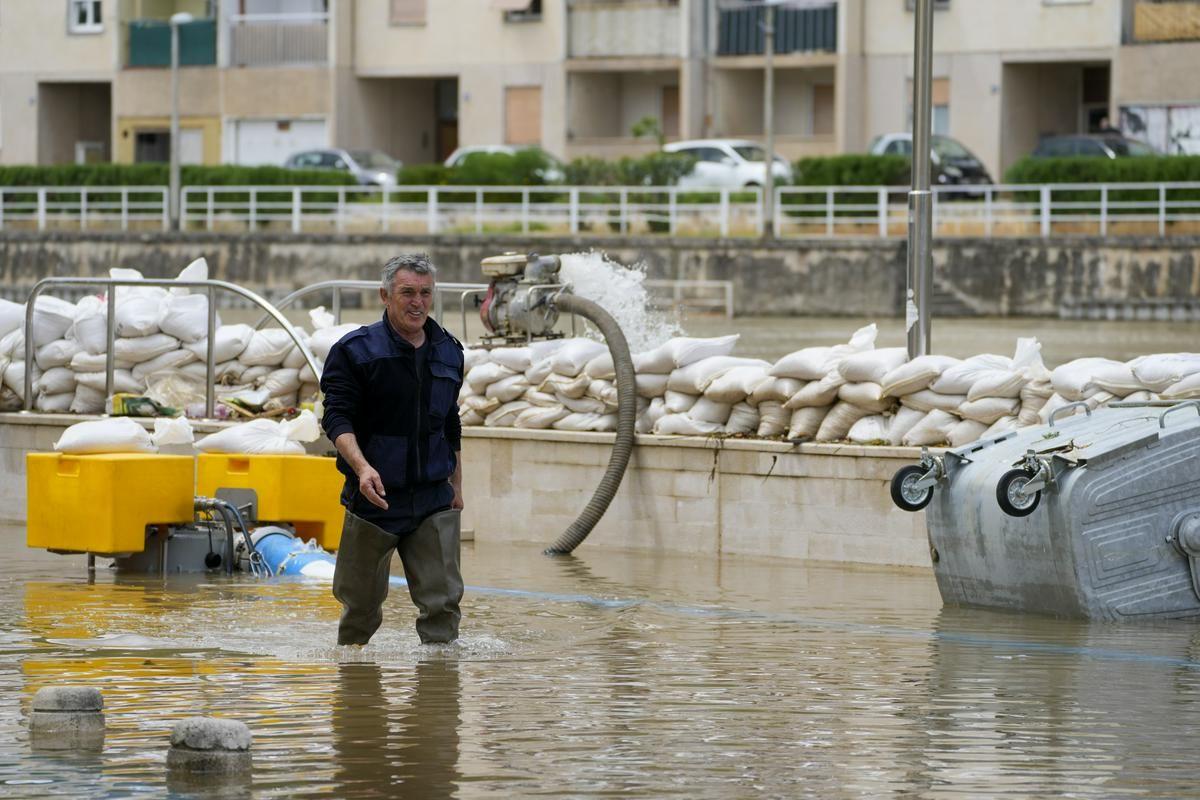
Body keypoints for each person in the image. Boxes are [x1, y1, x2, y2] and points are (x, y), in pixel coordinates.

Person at [320, 253, 465, 645]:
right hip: (375, 499)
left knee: (444, 603)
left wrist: (457, 486)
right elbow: (336, 420)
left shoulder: (449, 352)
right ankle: (354, 688)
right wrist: (362, 468)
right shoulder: (355, 353)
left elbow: (449, 422)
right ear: (385, 295)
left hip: (433, 497)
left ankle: (437, 693)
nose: (417, 302)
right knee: (360, 609)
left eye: (425, 293)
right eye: (407, 293)